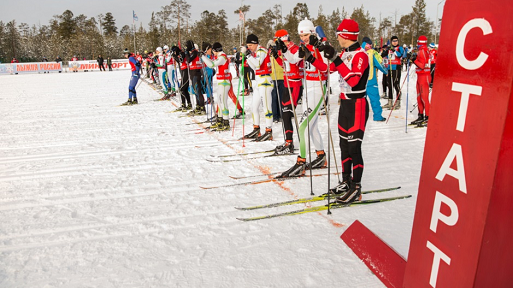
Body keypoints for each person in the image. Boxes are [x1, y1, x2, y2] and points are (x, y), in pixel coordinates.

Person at [307, 18, 370, 203]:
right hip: (345, 104)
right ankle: (346, 181)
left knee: (354, 147)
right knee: (344, 146)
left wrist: (335, 57)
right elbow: (329, 69)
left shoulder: (361, 55)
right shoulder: (345, 53)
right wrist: (310, 58)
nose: (337, 38)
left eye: (339, 34)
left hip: (357, 104)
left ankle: (356, 187)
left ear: (345, 35)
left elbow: (353, 81)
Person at [270, 29, 304, 155]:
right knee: (285, 115)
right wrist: (275, 56)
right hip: (287, 83)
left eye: (277, 40)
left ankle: (290, 143)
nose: (276, 42)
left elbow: (294, 61)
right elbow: (284, 65)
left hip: (294, 85)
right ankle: (288, 141)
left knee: (287, 114)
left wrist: (283, 51)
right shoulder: (284, 49)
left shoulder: (293, 48)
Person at [242, 34, 274, 141]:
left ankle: (269, 131)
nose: (249, 47)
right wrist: (247, 56)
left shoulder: (262, 51)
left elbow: (258, 63)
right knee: (254, 107)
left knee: (266, 108)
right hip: (259, 81)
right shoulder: (255, 53)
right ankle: (256, 129)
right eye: (248, 45)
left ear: (256, 43)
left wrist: (248, 55)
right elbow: (253, 66)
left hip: (265, 81)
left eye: (251, 45)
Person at [201, 42, 234, 131]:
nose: (212, 53)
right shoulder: (220, 56)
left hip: (224, 82)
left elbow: (211, 64)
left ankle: (226, 122)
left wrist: (202, 57)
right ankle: (220, 120)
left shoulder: (222, 57)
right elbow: (212, 61)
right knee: (219, 102)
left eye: (213, 51)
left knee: (223, 102)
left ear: (216, 50)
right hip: (221, 82)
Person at [361, 37, 387, 121]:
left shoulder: (358, 52)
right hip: (371, 80)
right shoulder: (372, 53)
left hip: (360, 81)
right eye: (370, 44)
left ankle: (359, 118)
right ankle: (377, 116)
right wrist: (386, 72)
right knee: (375, 99)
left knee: (360, 100)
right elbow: (379, 65)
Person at [410, 36, 432, 127]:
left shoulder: (423, 51)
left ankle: (428, 117)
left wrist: (413, 60)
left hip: (424, 76)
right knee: (419, 97)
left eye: (418, 42)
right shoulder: (422, 50)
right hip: (420, 76)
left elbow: (422, 65)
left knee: (424, 98)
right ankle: (420, 115)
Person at [383, 36, 406, 110]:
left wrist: (394, 50)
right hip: (390, 68)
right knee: (390, 85)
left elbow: (400, 55)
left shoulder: (400, 48)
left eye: (396, 41)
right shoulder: (389, 49)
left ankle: (398, 102)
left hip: (396, 68)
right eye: (393, 41)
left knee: (396, 84)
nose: (395, 42)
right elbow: (383, 56)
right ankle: (390, 102)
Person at [185, 40, 206, 115]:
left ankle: (202, 108)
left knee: (198, 90)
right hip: (193, 73)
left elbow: (188, 60)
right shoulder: (193, 52)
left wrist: (186, 53)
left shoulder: (195, 52)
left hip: (196, 73)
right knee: (195, 90)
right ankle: (198, 106)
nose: (186, 48)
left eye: (187, 46)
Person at [268, 40, 284, 123]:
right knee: (274, 98)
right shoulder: (269, 55)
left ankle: (280, 115)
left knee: (279, 97)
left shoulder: (279, 53)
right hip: (274, 77)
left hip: (280, 77)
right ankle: (276, 116)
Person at [172, 45, 192, 111]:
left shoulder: (181, 53)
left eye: (174, 52)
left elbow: (181, 60)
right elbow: (179, 61)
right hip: (183, 72)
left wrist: (175, 57)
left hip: (186, 71)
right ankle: (189, 103)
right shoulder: (179, 54)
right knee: (184, 89)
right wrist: (175, 57)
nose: (174, 53)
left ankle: (184, 104)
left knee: (181, 89)